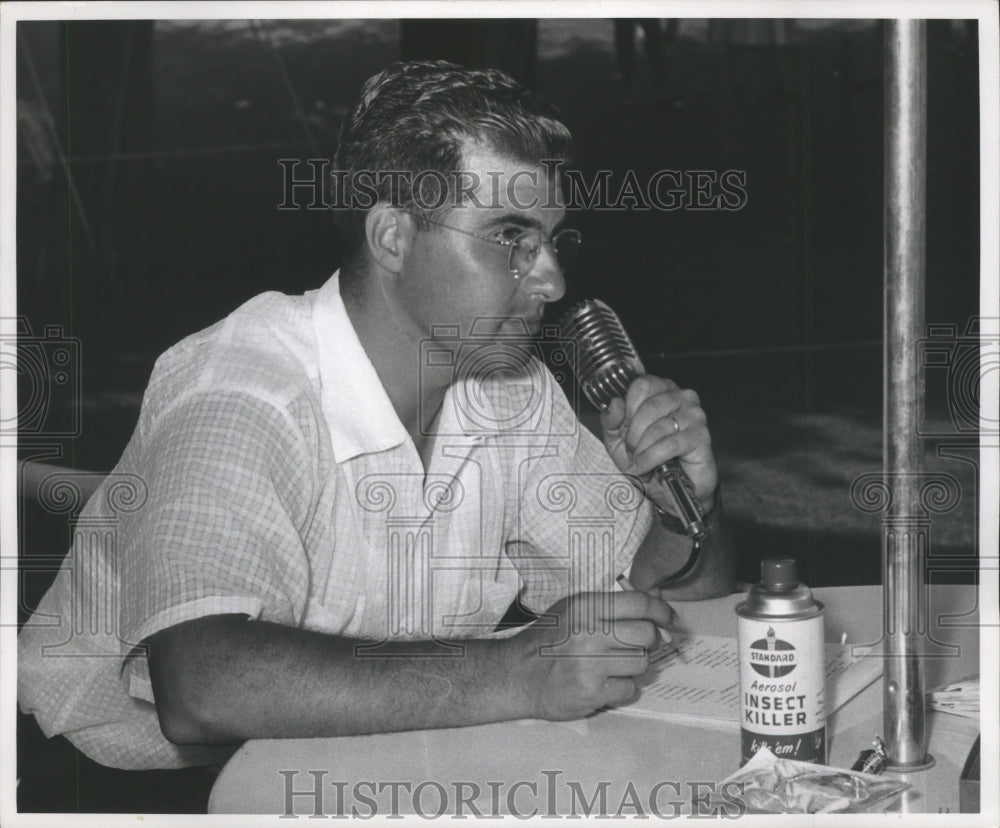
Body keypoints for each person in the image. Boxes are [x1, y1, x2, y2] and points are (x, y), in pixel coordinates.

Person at [18, 60, 733, 798]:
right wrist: (518, 672)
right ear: (392, 236)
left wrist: (682, 508)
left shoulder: (508, 386)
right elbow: (198, 687)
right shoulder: (238, 389)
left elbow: (678, 603)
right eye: (509, 237)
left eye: (553, 242)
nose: (552, 280)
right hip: (126, 786)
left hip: (369, 758)